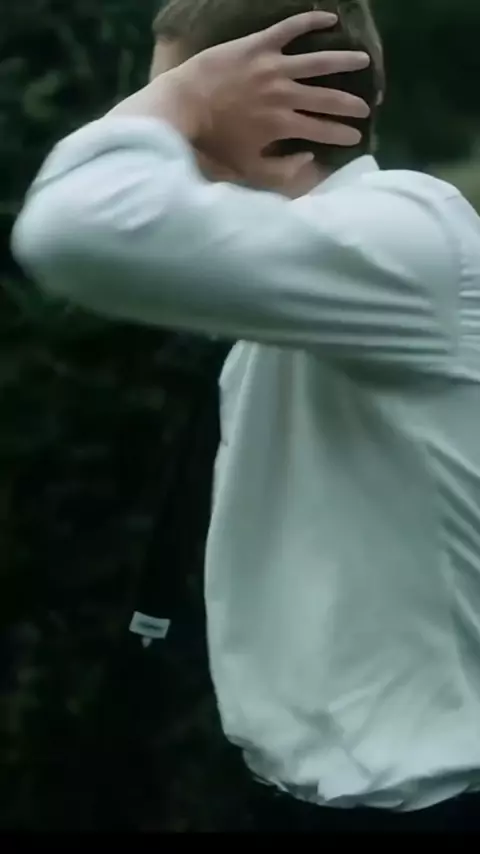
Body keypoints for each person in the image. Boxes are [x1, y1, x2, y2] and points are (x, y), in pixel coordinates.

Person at [11, 0, 480, 833]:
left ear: (270, 105)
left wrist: (177, 99)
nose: (159, 133)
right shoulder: (317, 267)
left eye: (184, 106)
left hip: (425, 808)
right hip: (322, 799)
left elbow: (71, 229)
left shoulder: (403, 235)